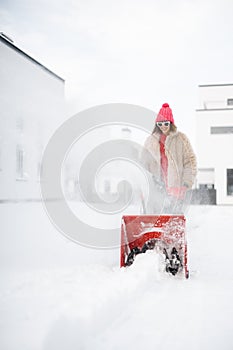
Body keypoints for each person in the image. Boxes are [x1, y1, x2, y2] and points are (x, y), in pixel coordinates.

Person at [141, 102, 197, 214]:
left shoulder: (181, 139)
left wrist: (186, 184)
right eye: (160, 124)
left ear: (171, 123)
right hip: (156, 187)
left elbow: (190, 162)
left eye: (166, 123)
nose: (163, 127)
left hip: (175, 189)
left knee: (173, 219)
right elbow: (143, 163)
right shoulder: (150, 141)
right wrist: (142, 184)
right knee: (155, 218)